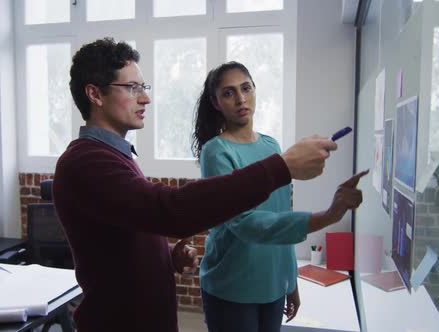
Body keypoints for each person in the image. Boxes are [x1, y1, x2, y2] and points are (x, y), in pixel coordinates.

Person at [52, 37, 340, 332]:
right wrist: (282, 167)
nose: (145, 98)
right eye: (132, 87)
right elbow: (171, 210)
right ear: (95, 94)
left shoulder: (113, 156)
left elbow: (124, 234)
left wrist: (165, 255)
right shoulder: (87, 162)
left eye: (143, 87)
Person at [191, 61, 368, 332]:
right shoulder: (216, 152)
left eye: (246, 88)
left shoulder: (271, 146)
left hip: (272, 284)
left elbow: (280, 214)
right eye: (228, 93)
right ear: (216, 102)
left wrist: (289, 280)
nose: (240, 98)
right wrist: (328, 216)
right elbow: (246, 224)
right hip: (232, 285)